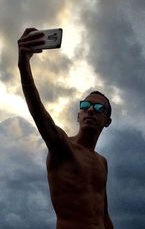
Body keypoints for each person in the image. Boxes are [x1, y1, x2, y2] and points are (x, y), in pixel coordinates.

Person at [17, 28, 114, 229]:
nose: (90, 111)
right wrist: (24, 64)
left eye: (98, 108)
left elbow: (103, 213)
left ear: (107, 120)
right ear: (78, 115)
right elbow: (39, 115)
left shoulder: (102, 162)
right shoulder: (62, 146)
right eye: (85, 106)